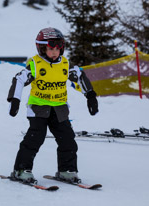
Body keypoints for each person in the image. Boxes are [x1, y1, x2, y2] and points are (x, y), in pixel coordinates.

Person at [7, 27, 98, 184]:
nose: (55, 52)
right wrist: (14, 100)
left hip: (59, 109)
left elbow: (80, 76)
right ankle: (21, 170)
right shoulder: (36, 64)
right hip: (38, 108)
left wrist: (90, 96)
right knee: (35, 139)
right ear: (42, 48)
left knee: (68, 140)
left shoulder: (64, 64)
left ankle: (67, 170)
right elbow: (19, 80)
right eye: (50, 48)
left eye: (58, 48)